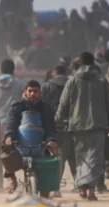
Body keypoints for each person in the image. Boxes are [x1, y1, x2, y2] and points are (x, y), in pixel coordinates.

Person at [56, 52, 109, 201]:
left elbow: (63, 103)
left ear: (80, 63)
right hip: (98, 125)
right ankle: (89, 188)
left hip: (77, 125)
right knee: (94, 158)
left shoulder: (72, 80)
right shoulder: (102, 81)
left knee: (81, 157)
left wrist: (58, 119)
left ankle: (83, 188)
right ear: (93, 63)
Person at [4, 80, 58, 197]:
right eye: (30, 91)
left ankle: (51, 184)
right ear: (25, 92)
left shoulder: (46, 108)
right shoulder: (17, 106)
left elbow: (50, 126)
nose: (33, 94)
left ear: (40, 92)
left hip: (41, 144)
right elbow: (11, 124)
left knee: (53, 156)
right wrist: (9, 137)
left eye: (35, 91)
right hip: (21, 144)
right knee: (5, 151)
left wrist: (51, 139)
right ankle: (11, 177)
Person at [0, 59, 24, 191]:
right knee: (13, 151)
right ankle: (12, 179)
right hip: (13, 123)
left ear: (0, 70)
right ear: (13, 70)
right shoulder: (20, 84)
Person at [42, 65, 74, 193]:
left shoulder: (45, 86)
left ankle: (54, 186)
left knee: (53, 155)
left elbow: (42, 105)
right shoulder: (72, 85)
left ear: (53, 74)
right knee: (68, 155)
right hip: (70, 124)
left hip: (51, 125)